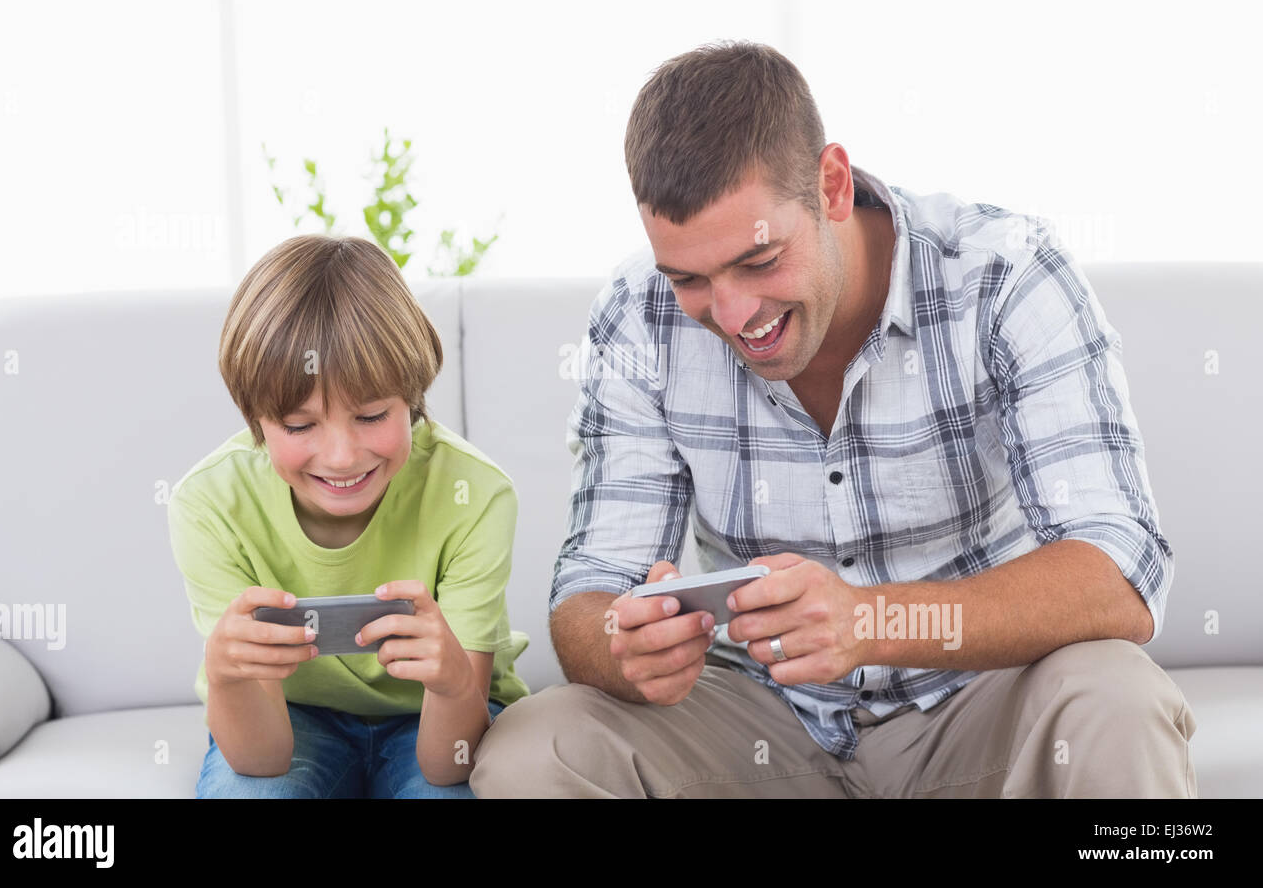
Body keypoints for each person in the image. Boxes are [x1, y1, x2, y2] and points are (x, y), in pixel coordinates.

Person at [470, 41, 1197, 798]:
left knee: (1120, 698)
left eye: (758, 262)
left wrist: (870, 621)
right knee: (536, 748)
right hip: (761, 724)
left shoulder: (1003, 272)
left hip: (979, 705)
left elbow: (1120, 573)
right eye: (690, 277)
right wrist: (623, 641)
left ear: (833, 185)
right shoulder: (638, 314)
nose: (731, 315)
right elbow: (589, 591)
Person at [168, 234, 528, 798]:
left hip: (432, 718)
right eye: (299, 425)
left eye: (370, 415)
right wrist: (225, 675)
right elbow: (260, 763)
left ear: (411, 397)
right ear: (257, 422)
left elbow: (446, 766)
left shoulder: (474, 494)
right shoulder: (210, 503)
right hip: (295, 714)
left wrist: (457, 683)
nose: (340, 457)